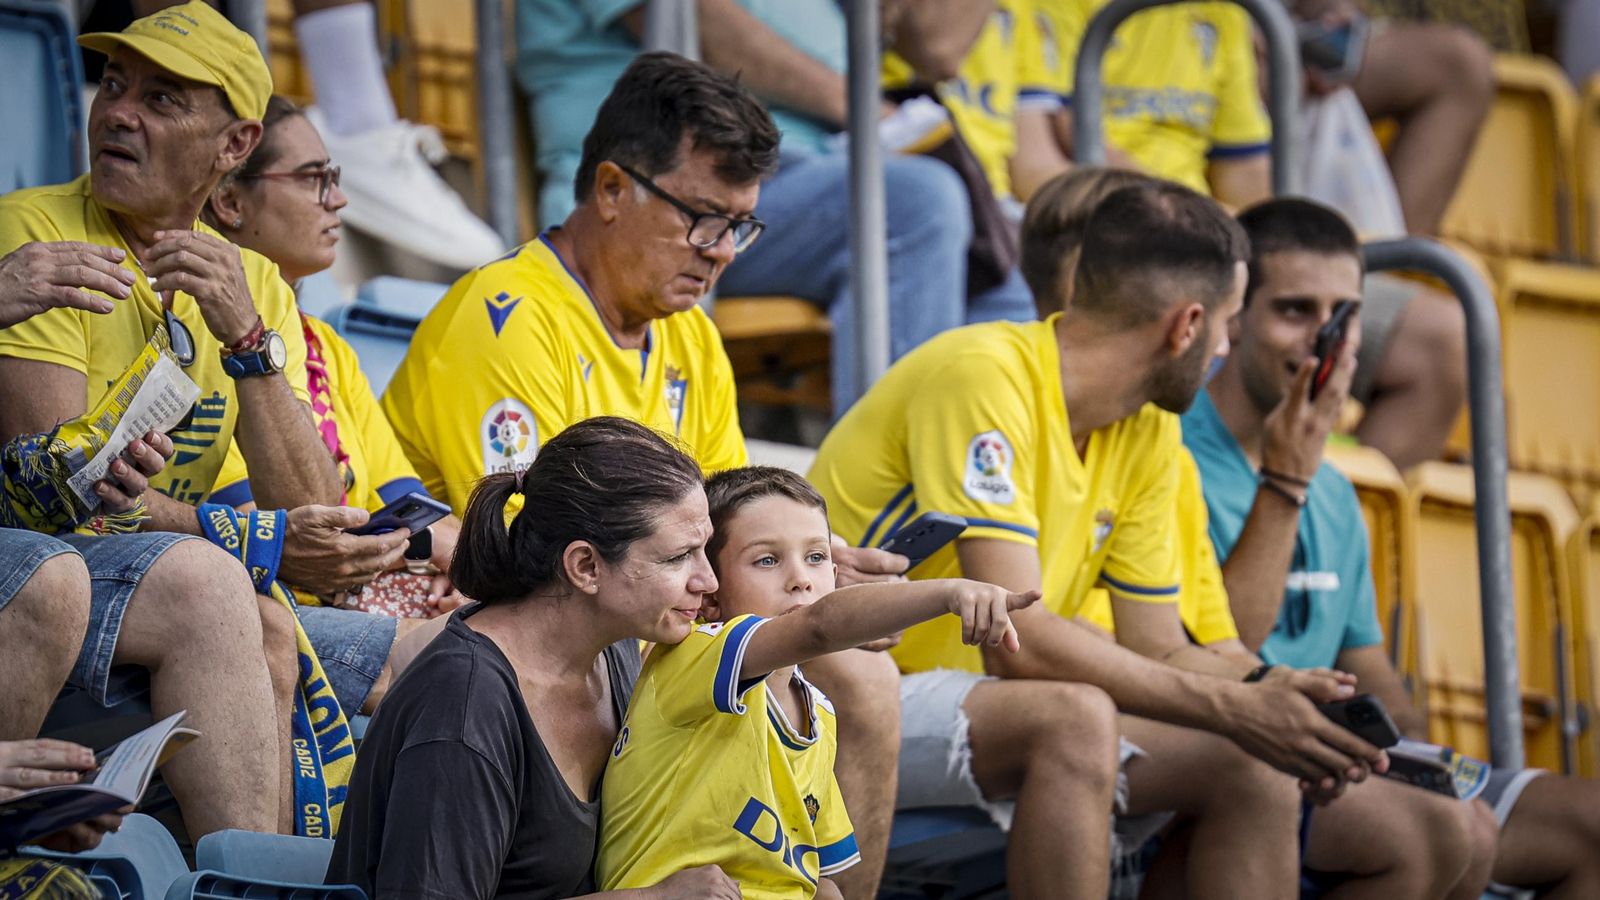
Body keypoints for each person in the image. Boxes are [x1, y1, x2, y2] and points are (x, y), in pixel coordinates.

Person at [383, 52, 909, 895]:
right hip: (533, 625)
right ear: (614, 189)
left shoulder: (690, 333)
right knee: (847, 670)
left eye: (741, 225)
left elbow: (725, 532)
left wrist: (813, 573)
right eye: (705, 218)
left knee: (855, 667)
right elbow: (552, 555)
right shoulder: (506, 320)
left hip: (641, 619)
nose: (725, 252)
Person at [809, 180, 1389, 897]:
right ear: (1188, 326)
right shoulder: (982, 376)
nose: (1226, 346)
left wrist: (1273, 690)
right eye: (1230, 324)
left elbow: (1159, 643)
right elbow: (1018, 641)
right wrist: (1233, 705)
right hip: (847, 688)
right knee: (1074, 716)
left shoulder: (1148, 426)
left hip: (977, 706)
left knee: (1255, 767)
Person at [0, 2, 435, 836]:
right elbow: (58, 507)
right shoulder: (39, 233)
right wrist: (249, 539)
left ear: (233, 146)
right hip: (62, 571)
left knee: (443, 652)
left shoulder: (254, 282)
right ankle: (249, 879)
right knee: (216, 588)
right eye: (117, 85)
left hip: (175, 586)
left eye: (163, 100)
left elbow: (324, 521)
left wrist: (246, 338)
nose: (119, 110)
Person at [1183, 196, 1600, 897]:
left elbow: (1364, 659)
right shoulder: (1172, 452)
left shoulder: (1340, 488)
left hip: (1345, 762)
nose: (1322, 342)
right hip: (1243, 755)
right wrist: (1285, 477)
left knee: (1587, 822)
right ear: (1232, 320)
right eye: (1294, 311)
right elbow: (1216, 657)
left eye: (1342, 318)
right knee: (1448, 830)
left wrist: (1406, 745)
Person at [516, 0, 1028, 412]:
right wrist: (863, 108)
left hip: (815, 168)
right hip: (666, 182)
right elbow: (697, 21)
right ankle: (889, 494)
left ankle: (993, 511)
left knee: (1008, 267)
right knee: (919, 203)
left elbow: (936, 45)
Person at [1037, 0, 1468, 471]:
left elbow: (1248, 177)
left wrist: (1261, 249)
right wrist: (1200, 222)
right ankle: (1239, 477)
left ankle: (1318, 497)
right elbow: (1061, 152)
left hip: (1215, 237)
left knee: (1445, 337)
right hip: (1122, 233)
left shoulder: (1224, 12)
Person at [329, 417, 734, 898]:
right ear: (585, 566)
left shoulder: (617, 647)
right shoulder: (464, 707)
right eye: (678, 558)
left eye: (704, 549)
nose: (708, 581)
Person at [597, 466, 1039, 900]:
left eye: (816, 557)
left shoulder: (820, 715)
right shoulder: (692, 657)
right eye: (767, 560)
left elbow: (821, 876)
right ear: (711, 595)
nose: (801, 580)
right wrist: (949, 593)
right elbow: (819, 626)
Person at [200, 95, 464, 618]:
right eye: (312, 177)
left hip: (360, 599)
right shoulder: (201, 338)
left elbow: (426, 519)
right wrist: (415, 550)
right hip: (271, 609)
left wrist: (449, 567)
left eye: (335, 177)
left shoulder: (325, 345)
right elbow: (262, 529)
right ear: (230, 202)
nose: (338, 199)